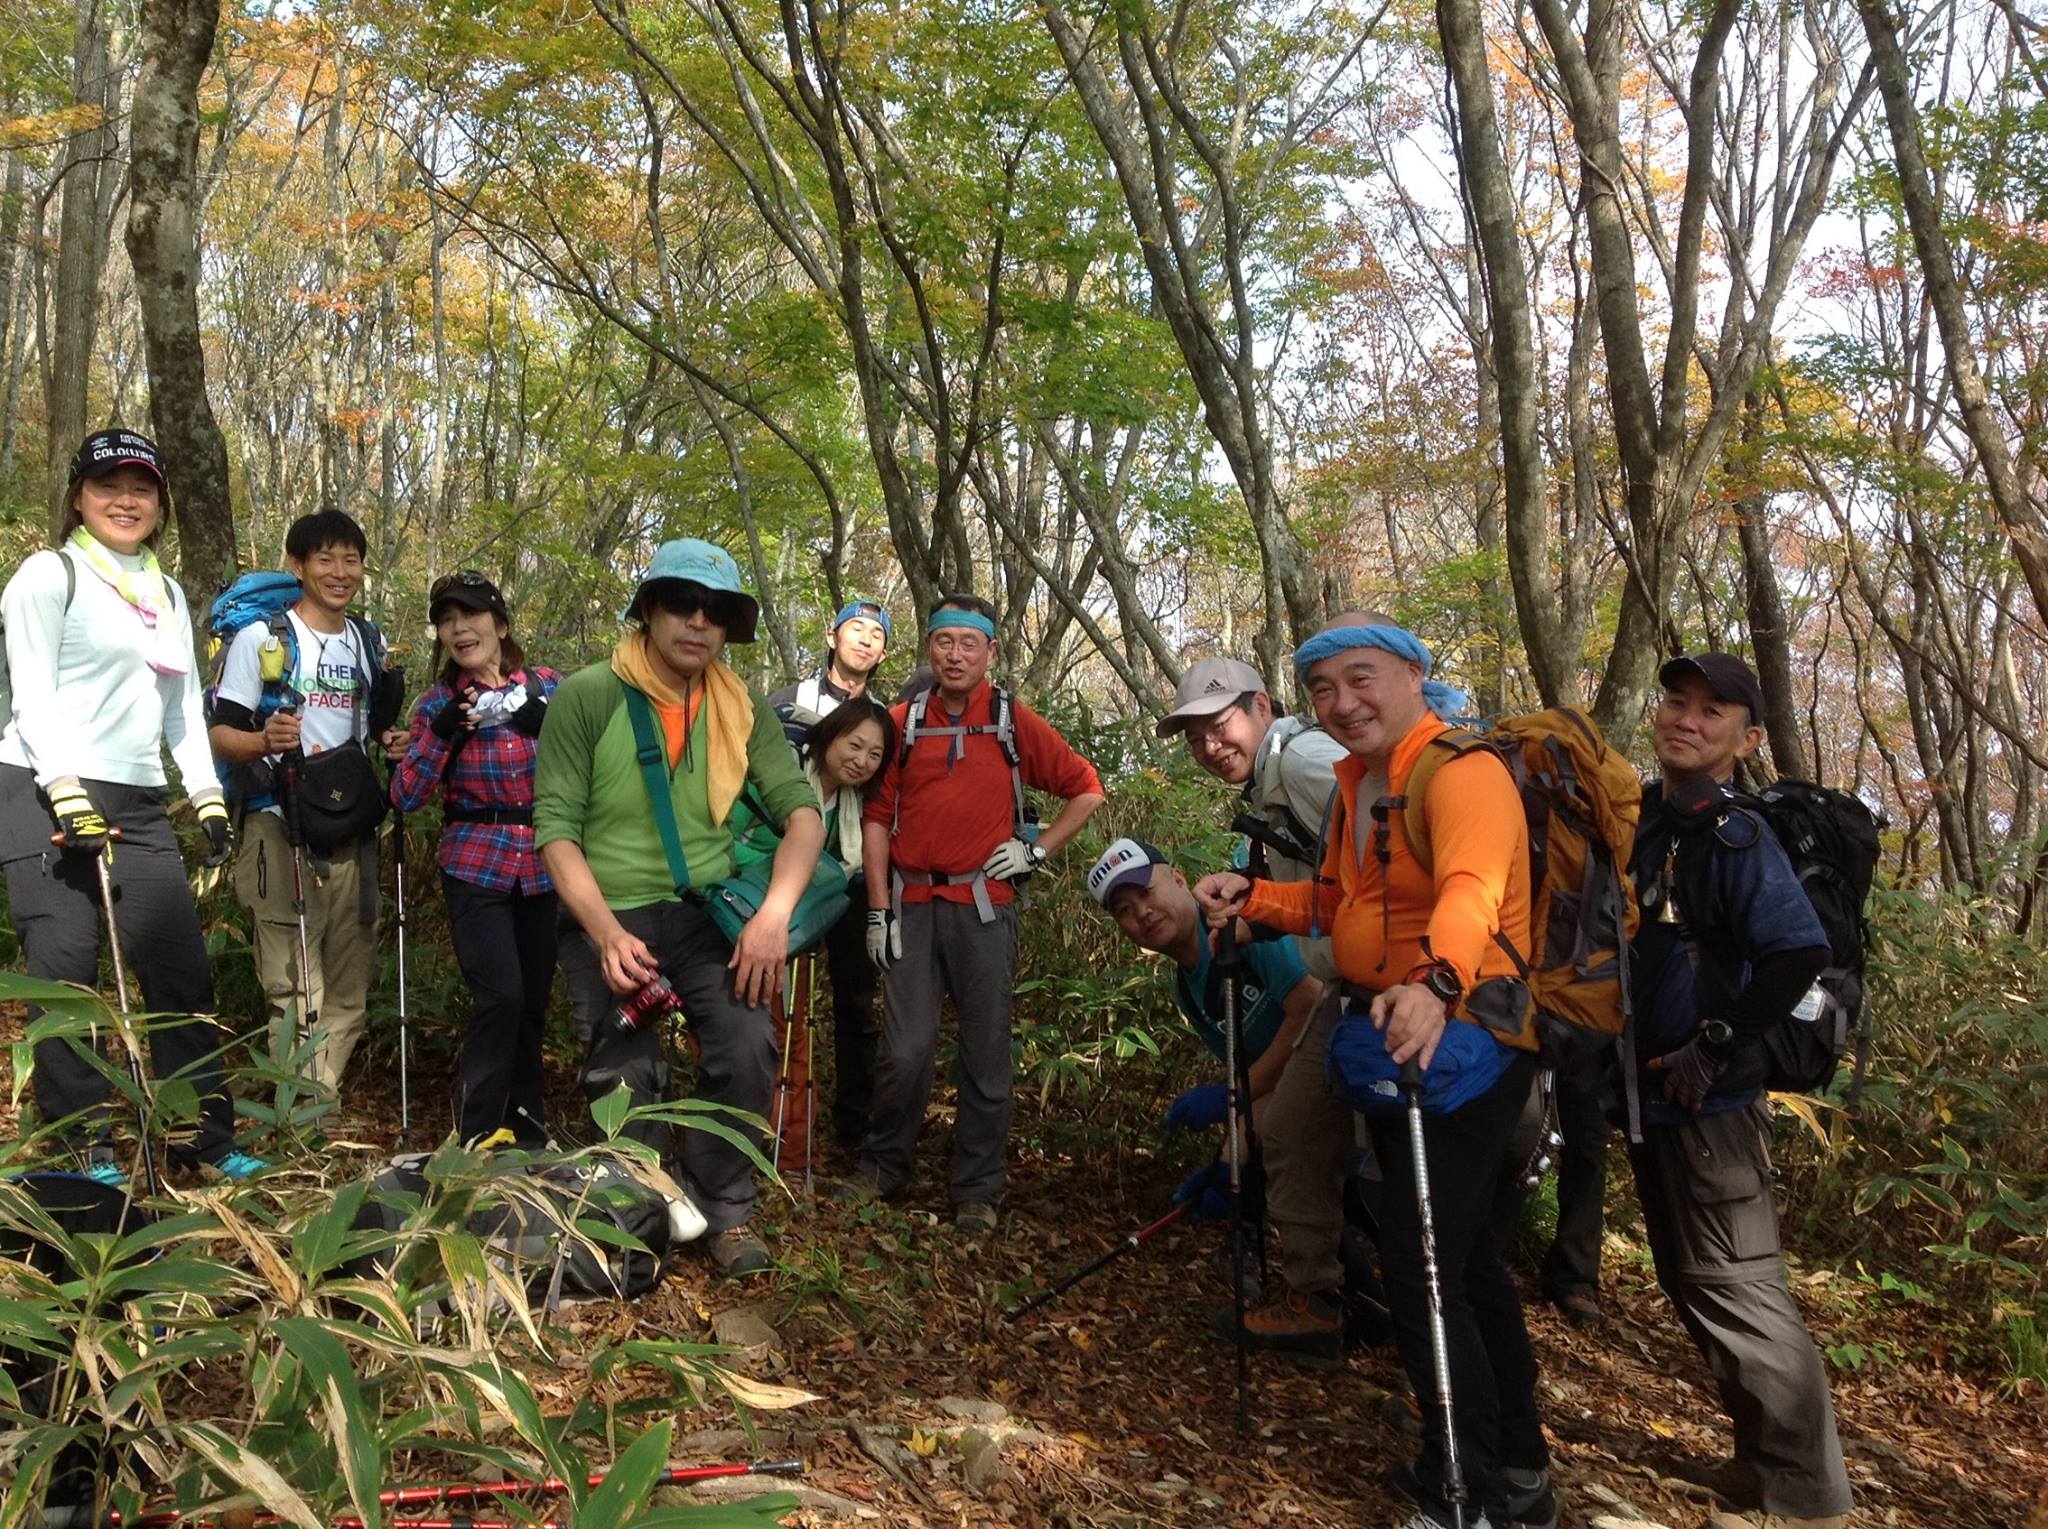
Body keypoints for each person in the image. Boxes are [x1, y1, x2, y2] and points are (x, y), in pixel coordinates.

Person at [1195, 619, 1552, 1529]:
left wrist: (1435, 981)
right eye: (1324, 689)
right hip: (1405, 1043)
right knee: (1461, 1261)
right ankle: (1515, 1469)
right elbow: (1344, 904)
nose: (1343, 702)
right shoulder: (1363, 784)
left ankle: (1464, 1489)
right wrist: (1259, 900)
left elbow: (1472, 887)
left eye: (1362, 679)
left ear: (1413, 675)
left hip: (1465, 1041)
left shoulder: (1459, 770)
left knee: (1424, 1262)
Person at [535, 538, 824, 1279]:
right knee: (624, 1075)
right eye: (681, 604)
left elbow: (804, 817)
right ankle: (638, 1219)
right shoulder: (590, 694)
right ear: (648, 610)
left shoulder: (739, 705)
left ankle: (723, 1208)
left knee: (747, 1043)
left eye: (716, 611)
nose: (697, 621)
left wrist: (773, 917)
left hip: (708, 915)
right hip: (610, 913)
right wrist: (602, 932)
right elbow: (557, 832)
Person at [0, 428, 264, 1183]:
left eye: (141, 487)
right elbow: (33, 694)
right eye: (108, 485)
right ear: (78, 497)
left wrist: (207, 797)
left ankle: (204, 1137)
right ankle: (85, 1148)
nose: (125, 499)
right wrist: (66, 788)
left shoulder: (166, 590)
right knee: (68, 978)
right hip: (39, 786)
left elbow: (181, 707)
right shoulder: (48, 577)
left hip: (138, 798)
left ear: (161, 504)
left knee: (181, 974)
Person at [1625, 653, 1852, 1529]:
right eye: (1675, 701)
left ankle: (1807, 1501)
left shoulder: (1735, 835)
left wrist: (1713, 1048)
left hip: (1711, 1101)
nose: (1686, 718)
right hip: (1656, 1094)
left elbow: (1798, 951)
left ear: (1747, 738)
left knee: (1739, 1284)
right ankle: (1762, 1465)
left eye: (1711, 712)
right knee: (1695, 1278)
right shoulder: (1652, 817)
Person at [851, 592, 1104, 1234]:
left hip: (983, 906)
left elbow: (1086, 789)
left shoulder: (1013, 721)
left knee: (985, 1050)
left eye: (969, 643)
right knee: (905, 1051)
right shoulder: (901, 721)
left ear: (990, 651)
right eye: (944, 641)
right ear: (928, 648)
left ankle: (977, 1190)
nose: (955, 654)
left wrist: (1034, 851)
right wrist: (878, 910)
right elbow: (877, 821)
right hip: (911, 902)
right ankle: (884, 1170)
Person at [1158, 653, 1357, 1360]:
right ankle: (1326, 1298)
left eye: (1219, 726)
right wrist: (1257, 906)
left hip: (1389, 985)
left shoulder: (1306, 765)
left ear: (1263, 707)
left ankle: (1324, 1301)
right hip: (1360, 983)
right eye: (1195, 738)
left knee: (1305, 1129)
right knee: (1302, 1130)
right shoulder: (1278, 784)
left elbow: (1384, 857)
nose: (1210, 747)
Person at [209, 510, 407, 1092]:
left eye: (351, 559)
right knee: (294, 982)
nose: (340, 572)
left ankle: (316, 1106)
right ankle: (298, 1117)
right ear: (297, 566)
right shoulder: (264, 639)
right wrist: (262, 740)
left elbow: (367, 728)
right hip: (279, 819)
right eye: (325, 559)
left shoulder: (367, 642)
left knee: (349, 983)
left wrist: (389, 740)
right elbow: (221, 732)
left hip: (349, 822)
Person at [391, 571, 559, 1149]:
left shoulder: (548, 688)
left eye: (470, 615)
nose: (459, 628)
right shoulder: (438, 702)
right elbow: (407, 796)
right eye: (446, 619)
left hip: (544, 862)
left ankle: (529, 1128)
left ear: (501, 624)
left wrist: (552, 727)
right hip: (474, 861)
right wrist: (443, 734)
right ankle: (476, 1131)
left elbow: (595, 770)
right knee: (501, 997)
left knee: (532, 1004)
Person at [793, 696, 896, 1152]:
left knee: (856, 1005)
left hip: (845, 892)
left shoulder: (861, 801)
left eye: (874, 755)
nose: (861, 762)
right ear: (831, 734)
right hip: (789, 892)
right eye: (855, 746)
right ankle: (785, 1126)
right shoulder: (790, 772)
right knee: (782, 1009)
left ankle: (853, 1127)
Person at [768, 598, 891, 724]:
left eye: (876, 636)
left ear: (882, 655)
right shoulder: (791, 699)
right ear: (832, 639)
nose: (866, 640)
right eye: (857, 629)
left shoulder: (880, 719)